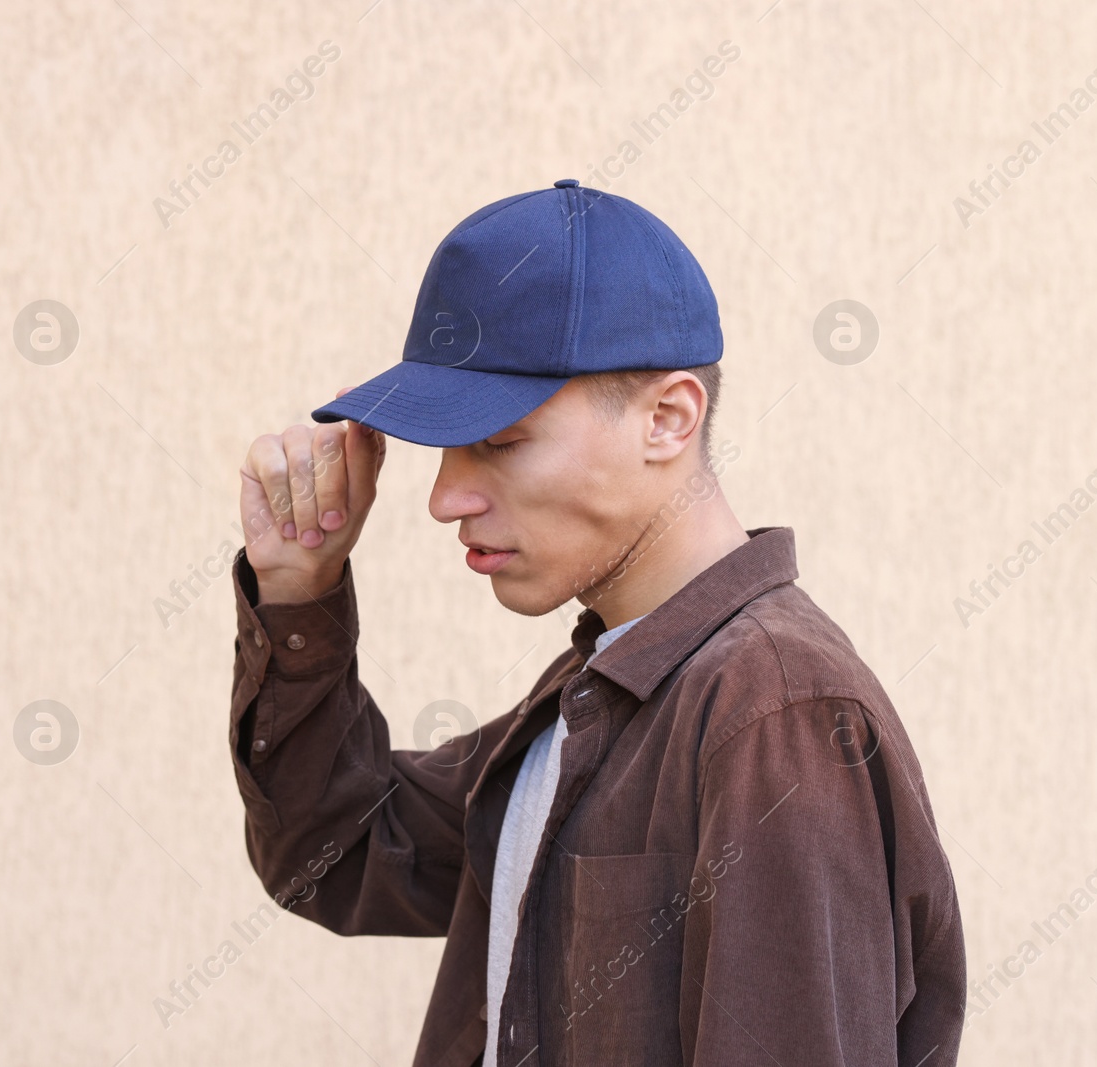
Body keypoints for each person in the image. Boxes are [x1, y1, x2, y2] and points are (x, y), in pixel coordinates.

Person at [228, 179, 967, 1066]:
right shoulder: (608, 685)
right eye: (444, 448)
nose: (442, 498)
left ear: (667, 418)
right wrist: (298, 589)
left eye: (498, 441)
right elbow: (339, 852)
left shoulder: (775, 714)